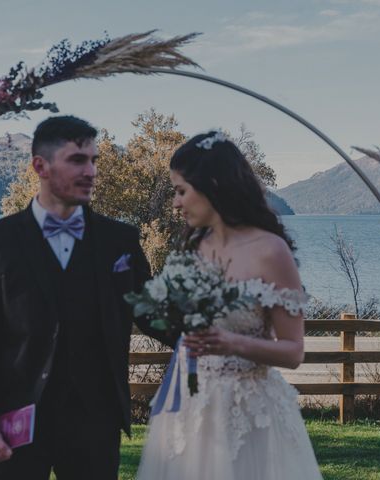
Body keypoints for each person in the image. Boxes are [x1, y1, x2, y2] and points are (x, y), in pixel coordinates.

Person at [0, 115, 169, 479]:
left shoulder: (119, 240)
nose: (91, 171)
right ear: (40, 166)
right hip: (15, 422)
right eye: (77, 160)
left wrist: (215, 335)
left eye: (93, 160)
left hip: (96, 423)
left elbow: (150, 312)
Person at [137, 130, 323, 479]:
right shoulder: (195, 249)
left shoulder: (271, 251)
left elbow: (293, 352)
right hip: (190, 406)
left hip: (249, 412)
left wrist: (233, 343)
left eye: (181, 191)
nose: (176, 203)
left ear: (212, 187)